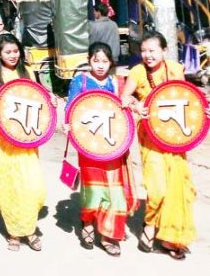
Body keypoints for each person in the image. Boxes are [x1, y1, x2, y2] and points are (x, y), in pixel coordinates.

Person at [120, 32, 206, 260]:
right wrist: (137, 106)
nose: (147, 55)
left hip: (175, 136)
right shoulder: (137, 72)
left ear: (164, 51)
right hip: (150, 137)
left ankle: (172, 237)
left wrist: (202, 109)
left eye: (152, 51)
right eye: (144, 51)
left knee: (178, 185)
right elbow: (124, 98)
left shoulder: (175, 69)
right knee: (157, 186)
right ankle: (150, 225)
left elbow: (186, 98)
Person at [61, 42, 136, 257]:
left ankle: (109, 233)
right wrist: (67, 124)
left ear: (111, 62)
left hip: (113, 146)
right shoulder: (81, 80)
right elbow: (71, 107)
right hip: (88, 145)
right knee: (93, 188)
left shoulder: (117, 82)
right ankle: (87, 222)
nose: (100, 65)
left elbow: (127, 106)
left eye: (104, 61)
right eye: (96, 60)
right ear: (89, 60)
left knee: (114, 191)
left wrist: (131, 103)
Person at [0, 34, 51, 252]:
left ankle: (29, 226)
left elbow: (38, 100)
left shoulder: (28, 72)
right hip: (3, 143)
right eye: (7, 52)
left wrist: (51, 100)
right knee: (10, 187)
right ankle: (16, 232)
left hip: (26, 140)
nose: (12, 55)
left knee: (33, 187)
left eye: (15, 51)